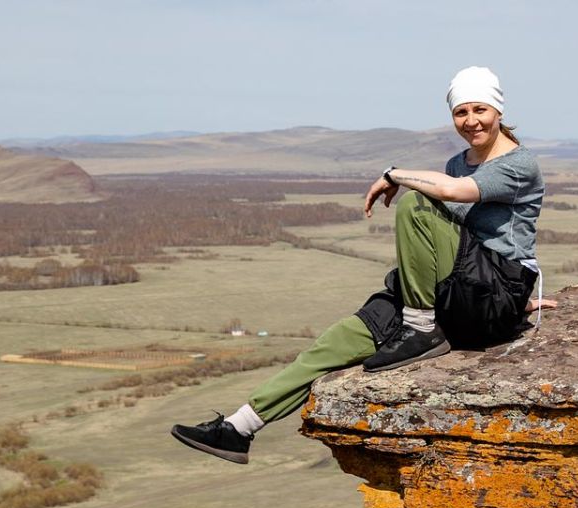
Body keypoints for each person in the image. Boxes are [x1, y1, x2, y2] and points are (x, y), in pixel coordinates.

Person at [170, 66, 553, 464]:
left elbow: (454, 194)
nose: (471, 120)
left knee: (416, 205)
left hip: (490, 294)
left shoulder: (518, 164)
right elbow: (456, 240)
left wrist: (394, 175)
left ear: (498, 110)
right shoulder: (459, 161)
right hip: (461, 292)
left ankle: (421, 329)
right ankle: (239, 428)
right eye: (461, 112)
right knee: (337, 340)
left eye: (480, 109)